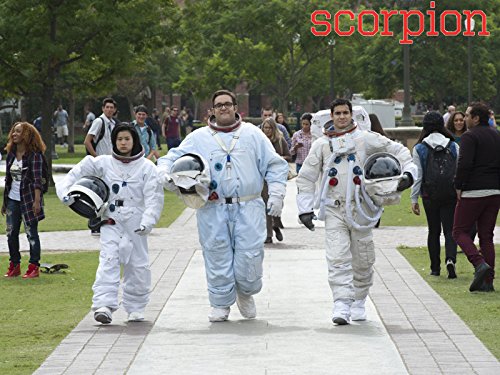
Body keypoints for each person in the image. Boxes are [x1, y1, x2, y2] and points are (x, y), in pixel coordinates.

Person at [158, 89, 288, 322]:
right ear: (212, 110)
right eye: (219, 105)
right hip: (213, 207)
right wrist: (167, 176)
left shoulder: (252, 135)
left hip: (248, 206)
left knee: (249, 254)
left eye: (228, 104)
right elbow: (172, 157)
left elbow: (275, 165)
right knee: (217, 254)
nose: (224, 108)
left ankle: (245, 293)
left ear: (236, 107)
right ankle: (220, 303)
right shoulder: (198, 138)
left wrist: (277, 194)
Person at [296, 99, 416, 325]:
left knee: (363, 258)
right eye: (337, 113)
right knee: (337, 257)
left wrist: (408, 173)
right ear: (331, 116)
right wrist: (304, 208)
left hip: (361, 208)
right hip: (334, 209)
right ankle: (341, 303)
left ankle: (359, 300)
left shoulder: (365, 139)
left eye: (345, 113)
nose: (341, 117)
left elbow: (397, 150)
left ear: (351, 115)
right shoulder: (322, 145)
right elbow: (307, 177)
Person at [56, 124, 164, 323]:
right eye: (119, 139)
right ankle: (104, 304)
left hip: (135, 221)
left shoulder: (147, 167)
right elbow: (76, 172)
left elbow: (154, 197)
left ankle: (136, 307)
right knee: (108, 260)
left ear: (134, 141)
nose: (123, 143)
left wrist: (148, 221)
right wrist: (65, 193)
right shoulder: (103, 163)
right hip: (111, 219)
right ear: (114, 141)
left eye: (127, 139)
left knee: (137, 264)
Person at [452, 103, 500, 293]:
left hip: (473, 191)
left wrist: (458, 185)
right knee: (486, 236)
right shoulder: (497, 135)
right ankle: (488, 281)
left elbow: (464, 164)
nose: (464, 119)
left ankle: (479, 264)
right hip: (495, 191)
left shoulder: (469, 137)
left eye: (468, 115)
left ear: (476, 118)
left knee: (458, 231)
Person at [410, 112, 459, 278]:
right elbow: (458, 171)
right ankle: (451, 259)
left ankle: (435, 268)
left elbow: (417, 176)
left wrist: (414, 199)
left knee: (433, 231)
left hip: (429, 195)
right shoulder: (453, 145)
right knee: (450, 230)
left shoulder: (419, 148)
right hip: (450, 194)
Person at [2, 122, 47, 279]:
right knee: (11, 233)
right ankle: (14, 265)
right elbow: (8, 180)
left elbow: (37, 180)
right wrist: (5, 203)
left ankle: (34, 266)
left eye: (18, 132)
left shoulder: (35, 155)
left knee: (31, 234)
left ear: (26, 135)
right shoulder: (11, 154)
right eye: (13, 132)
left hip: (28, 201)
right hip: (12, 200)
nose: (14, 134)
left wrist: (37, 201)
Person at [261, 117, 291, 244]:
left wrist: (278, 158)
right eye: (265, 128)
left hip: (277, 177)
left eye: (269, 128)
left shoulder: (280, 140)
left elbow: (289, 156)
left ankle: (276, 225)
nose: (267, 130)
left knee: (277, 204)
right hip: (263, 177)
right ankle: (268, 234)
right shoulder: (260, 141)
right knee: (265, 204)